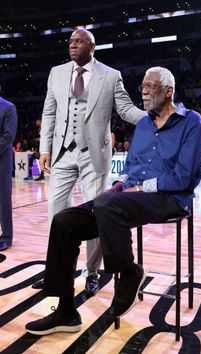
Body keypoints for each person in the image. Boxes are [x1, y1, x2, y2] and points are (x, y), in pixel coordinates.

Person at [25, 66, 201, 335]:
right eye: (143, 85)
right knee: (65, 221)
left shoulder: (192, 121)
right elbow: (130, 165)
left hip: (169, 199)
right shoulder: (144, 124)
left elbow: (183, 178)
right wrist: (119, 185)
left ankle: (129, 273)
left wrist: (139, 189)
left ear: (169, 91)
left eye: (151, 86)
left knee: (108, 205)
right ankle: (65, 311)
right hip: (127, 199)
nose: (143, 90)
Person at [32, 26, 145, 294]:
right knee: (56, 214)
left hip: (94, 155)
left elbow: (126, 110)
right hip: (62, 152)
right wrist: (44, 147)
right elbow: (49, 112)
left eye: (79, 41)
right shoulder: (56, 73)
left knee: (95, 215)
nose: (73, 45)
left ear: (92, 47)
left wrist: (156, 116)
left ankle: (92, 272)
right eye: (71, 41)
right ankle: (59, 272)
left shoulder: (110, 75)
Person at [0, 88, 18, 251]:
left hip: (2, 162)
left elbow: (8, 137)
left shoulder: (8, 107)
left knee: (3, 200)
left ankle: (6, 237)